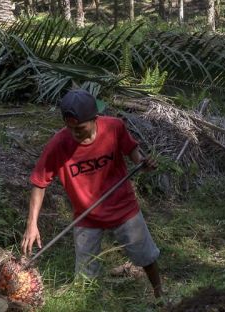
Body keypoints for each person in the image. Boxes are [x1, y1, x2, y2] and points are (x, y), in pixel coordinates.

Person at [20, 89, 163, 298]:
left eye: (80, 128)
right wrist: (31, 225)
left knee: (147, 256)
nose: (75, 133)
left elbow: (132, 152)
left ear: (95, 119)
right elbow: (39, 183)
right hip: (87, 217)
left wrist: (142, 162)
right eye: (70, 128)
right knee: (86, 277)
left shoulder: (114, 127)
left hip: (123, 207)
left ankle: (160, 294)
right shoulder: (58, 144)